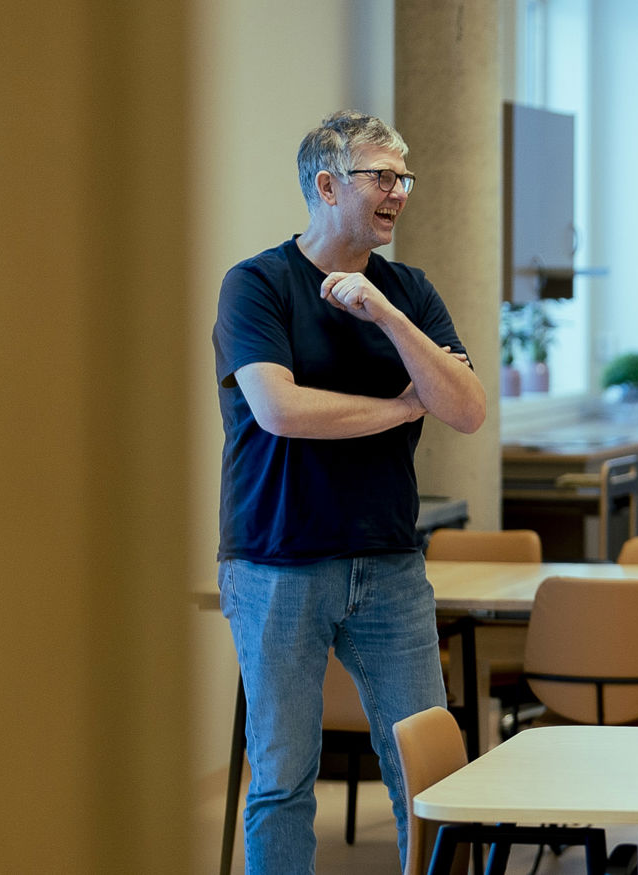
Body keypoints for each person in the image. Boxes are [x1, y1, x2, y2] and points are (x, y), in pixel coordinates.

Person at [211, 110, 486, 874]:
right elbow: (281, 411)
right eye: (382, 176)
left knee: (430, 776)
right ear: (327, 185)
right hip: (276, 561)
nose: (399, 191)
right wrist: (401, 408)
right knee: (283, 780)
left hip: (389, 564)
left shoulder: (409, 291)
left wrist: (388, 313)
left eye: (405, 177)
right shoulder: (256, 285)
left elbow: (465, 408)